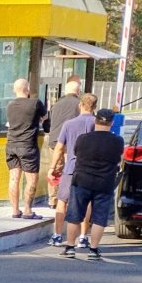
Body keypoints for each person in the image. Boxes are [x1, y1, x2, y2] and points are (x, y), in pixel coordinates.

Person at [61, 108, 124, 261]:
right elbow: (119, 160)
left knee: (75, 216)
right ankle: (94, 250)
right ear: (111, 123)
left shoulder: (83, 139)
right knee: (99, 218)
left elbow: (76, 153)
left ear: (95, 120)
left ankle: (70, 247)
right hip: (104, 183)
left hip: (81, 181)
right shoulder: (118, 141)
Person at [46, 92, 98, 247]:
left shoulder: (68, 124)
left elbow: (60, 148)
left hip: (70, 168)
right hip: (89, 169)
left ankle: (57, 236)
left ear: (80, 105)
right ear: (94, 107)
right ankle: (83, 237)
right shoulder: (97, 124)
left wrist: (52, 167)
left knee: (62, 200)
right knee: (87, 202)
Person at [5, 78, 47, 219]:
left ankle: (15, 211)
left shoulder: (10, 105)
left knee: (14, 178)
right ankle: (28, 210)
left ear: (14, 90)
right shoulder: (35, 103)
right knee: (31, 179)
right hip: (28, 145)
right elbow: (45, 117)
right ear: (27, 89)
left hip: (11, 144)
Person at [43, 75, 83, 197]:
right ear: (78, 91)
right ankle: (68, 195)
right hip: (72, 142)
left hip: (55, 140)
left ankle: (53, 199)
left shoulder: (56, 104)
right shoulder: (80, 104)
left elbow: (48, 123)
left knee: (55, 169)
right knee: (71, 169)